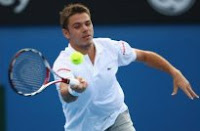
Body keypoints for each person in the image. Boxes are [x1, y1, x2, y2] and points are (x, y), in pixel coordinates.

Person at [53, 3, 199, 131]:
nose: (85, 29)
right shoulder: (62, 64)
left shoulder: (110, 47)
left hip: (116, 117)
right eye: (77, 26)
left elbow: (145, 56)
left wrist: (174, 72)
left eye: (88, 23)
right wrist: (75, 90)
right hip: (83, 127)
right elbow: (66, 94)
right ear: (66, 33)